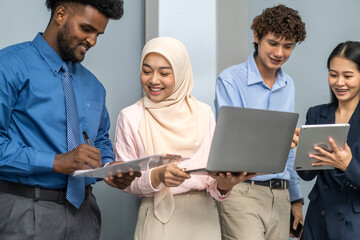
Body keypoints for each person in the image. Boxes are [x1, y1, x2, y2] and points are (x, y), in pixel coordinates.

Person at [0, 1, 138, 239]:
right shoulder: (9, 66)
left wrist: (109, 168)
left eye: (98, 34)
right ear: (61, 14)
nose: (92, 41)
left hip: (85, 215)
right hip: (24, 210)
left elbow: (101, 141)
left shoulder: (95, 86)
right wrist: (56, 161)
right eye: (86, 29)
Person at [108, 36, 255, 240]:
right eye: (147, 71)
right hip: (158, 218)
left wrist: (226, 183)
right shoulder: (131, 116)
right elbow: (124, 181)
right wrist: (157, 175)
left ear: (181, 73)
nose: (153, 80)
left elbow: (213, 180)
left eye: (164, 73)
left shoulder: (204, 113)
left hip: (204, 217)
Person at [214, 4, 306, 240]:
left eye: (288, 46)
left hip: (281, 195)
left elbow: (290, 151)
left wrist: (296, 198)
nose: (279, 53)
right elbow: (231, 142)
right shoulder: (230, 80)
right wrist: (280, 141)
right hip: (242, 192)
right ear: (256, 36)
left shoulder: (289, 85)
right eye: (273, 43)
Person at [295, 41, 360, 240]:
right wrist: (301, 147)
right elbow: (307, 175)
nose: (339, 82)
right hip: (318, 219)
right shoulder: (317, 114)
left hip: (353, 223)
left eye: (348, 76)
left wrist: (348, 165)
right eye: (333, 75)